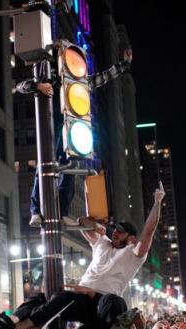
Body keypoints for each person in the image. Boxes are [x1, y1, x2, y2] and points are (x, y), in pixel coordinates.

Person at [0, 182, 165, 329]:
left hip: (99, 304)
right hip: (79, 296)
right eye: (114, 230)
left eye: (120, 231)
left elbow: (148, 232)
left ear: (131, 238)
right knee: (43, 296)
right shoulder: (103, 244)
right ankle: (11, 320)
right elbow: (83, 222)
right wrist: (99, 224)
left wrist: (157, 202)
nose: (115, 233)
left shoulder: (133, 254)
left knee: (64, 297)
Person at [16, 48, 134, 228]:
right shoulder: (51, 76)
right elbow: (20, 86)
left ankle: (62, 211)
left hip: (71, 129)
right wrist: (38, 86)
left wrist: (123, 64)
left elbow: (102, 78)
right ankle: (36, 211)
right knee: (45, 166)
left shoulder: (78, 81)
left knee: (70, 169)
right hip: (52, 128)